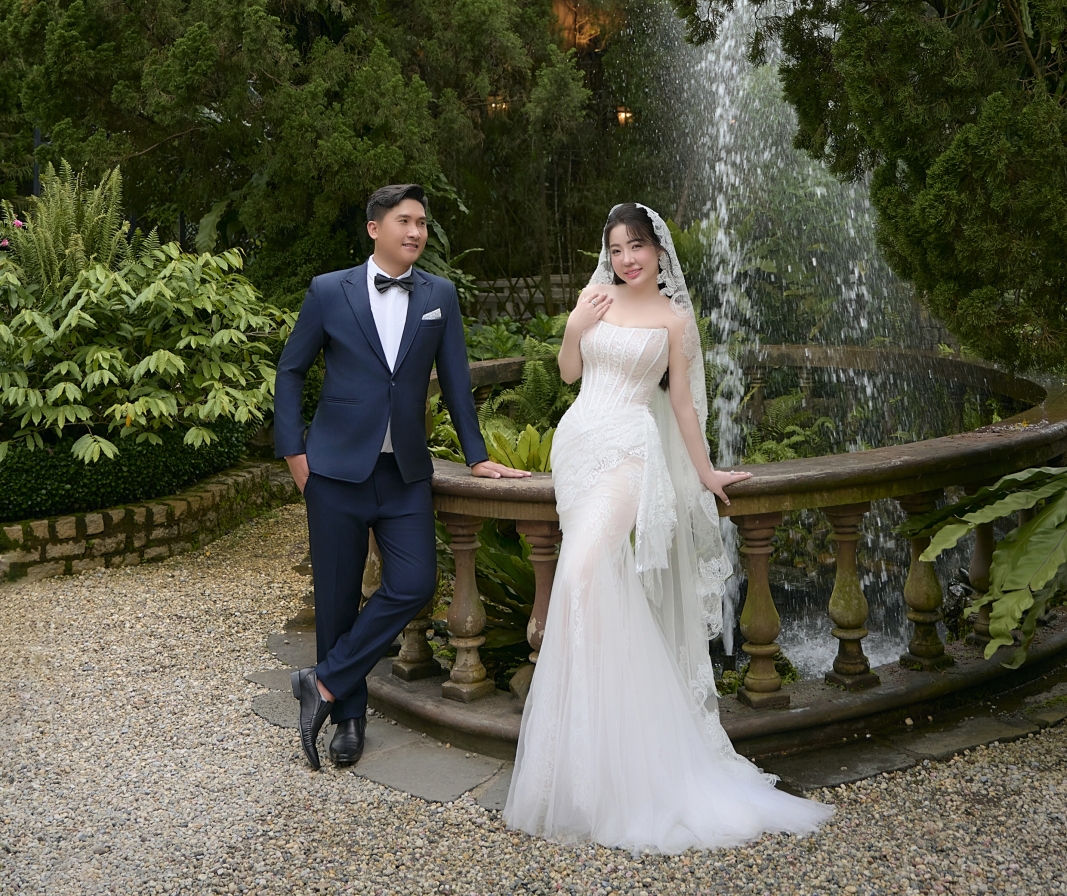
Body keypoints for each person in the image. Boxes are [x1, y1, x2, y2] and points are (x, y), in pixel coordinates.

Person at [503, 202, 833, 852]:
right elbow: (569, 373)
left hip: (630, 450)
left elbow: (680, 402)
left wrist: (706, 472)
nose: (626, 259)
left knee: (583, 574)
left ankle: (638, 757)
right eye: (615, 248)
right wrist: (574, 325)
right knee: (587, 587)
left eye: (636, 246)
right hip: (577, 445)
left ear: (658, 250)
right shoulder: (595, 299)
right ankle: (590, 762)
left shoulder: (674, 319)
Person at [273, 183, 529, 770]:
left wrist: (476, 455)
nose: (416, 231)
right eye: (404, 221)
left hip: (406, 473)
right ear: (375, 229)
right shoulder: (328, 291)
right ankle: (349, 718)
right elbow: (290, 371)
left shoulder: (440, 294)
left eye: (422, 222)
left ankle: (322, 681)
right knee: (336, 601)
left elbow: (457, 379)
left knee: (415, 583)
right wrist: (295, 456)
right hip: (334, 471)